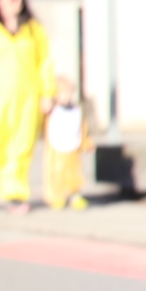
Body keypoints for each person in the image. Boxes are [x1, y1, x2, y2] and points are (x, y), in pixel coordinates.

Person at [0, 0, 54, 216]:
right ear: (0, 0)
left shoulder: (33, 29)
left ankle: (14, 193)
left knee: (21, 146)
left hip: (27, 99)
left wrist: (48, 93)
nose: (17, 2)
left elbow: (45, 62)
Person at [43, 74, 91, 210]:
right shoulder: (51, 112)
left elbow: (82, 128)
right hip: (56, 150)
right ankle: (57, 197)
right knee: (56, 173)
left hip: (72, 149)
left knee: (74, 173)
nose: (67, 96)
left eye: (69, 93)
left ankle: (75, 195)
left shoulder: (76, 111)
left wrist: (85, 142)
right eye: (62, 93)